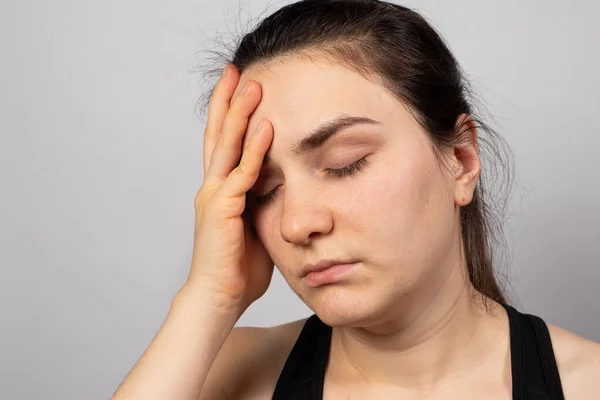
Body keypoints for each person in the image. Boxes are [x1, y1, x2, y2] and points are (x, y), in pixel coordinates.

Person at [111, 1, 600, 399]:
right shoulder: (225, 377)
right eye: (265, 190)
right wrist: (210, 297)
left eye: (345, 163)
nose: (297, 224)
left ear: (461, 160)